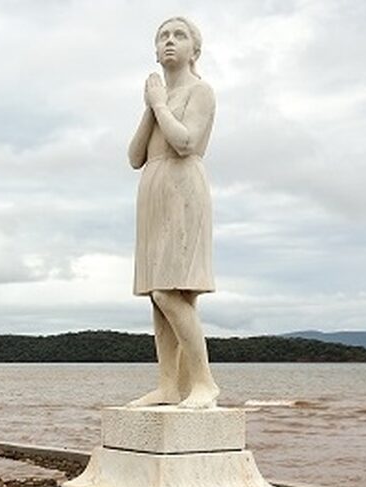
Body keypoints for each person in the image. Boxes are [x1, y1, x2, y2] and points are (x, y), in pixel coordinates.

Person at [127, 16, 220, 409]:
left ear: (194, 51)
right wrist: (151, 106)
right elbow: (134, 156)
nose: (169, 41)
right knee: (158, 295)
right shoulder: (158, 101)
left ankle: (204, 382)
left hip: (183, 189)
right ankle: (170, 385)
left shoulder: (201, 91)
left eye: (179, 35)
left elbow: (186, 141)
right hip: (154, 190)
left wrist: (160, 103)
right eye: (163, 36)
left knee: (171, 290)